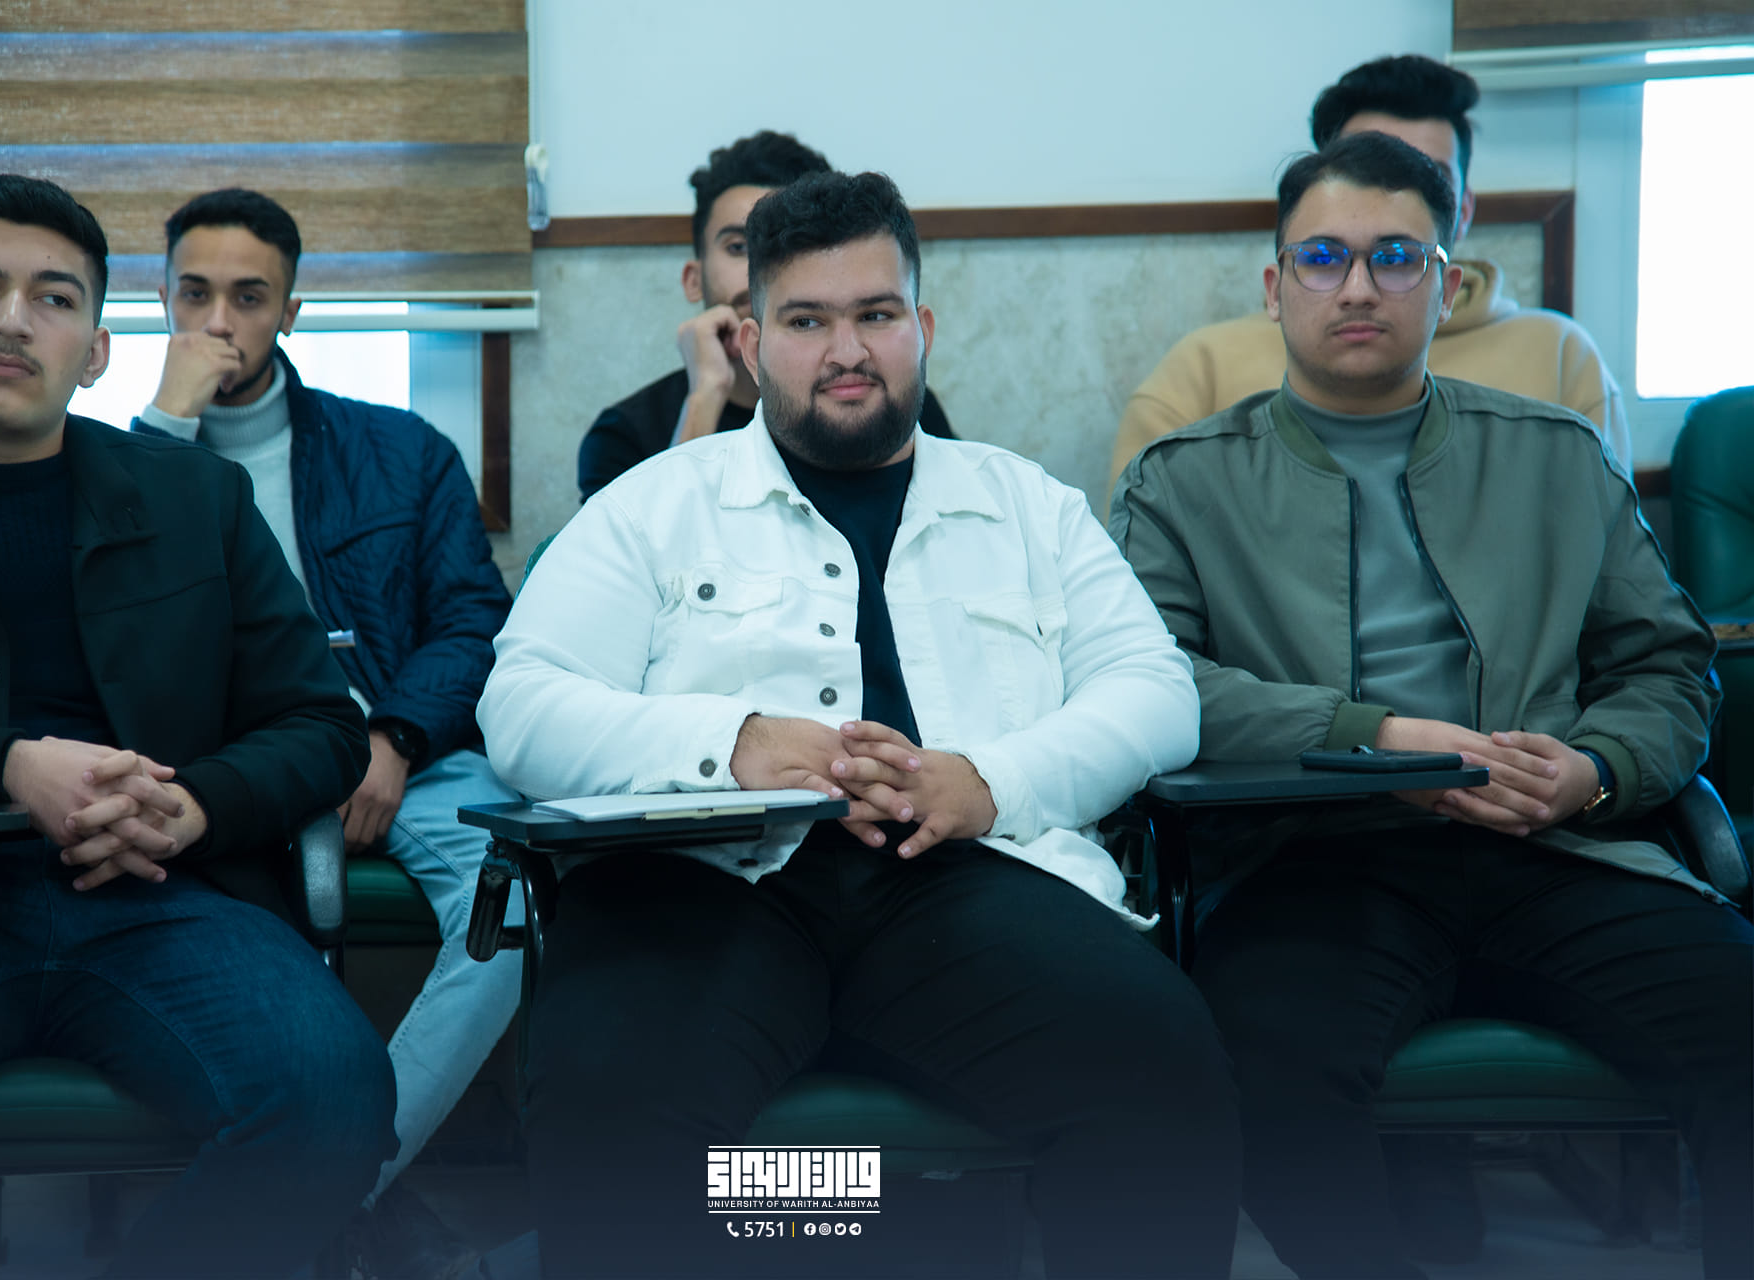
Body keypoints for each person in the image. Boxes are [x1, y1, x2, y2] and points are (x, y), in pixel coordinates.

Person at [482, 170, 1241, 1278]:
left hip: (967, 877)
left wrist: (988, 778)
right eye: (806, 321)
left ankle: (876, 1230)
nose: (848, 350)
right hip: (696, 884)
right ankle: (835, 1229)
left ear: (922, 326)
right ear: (751, 344)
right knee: (613, 1113)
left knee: (1164, 1072)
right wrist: (734, 743)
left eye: (876, 314)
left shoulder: (1028, 504)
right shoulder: (652, 506)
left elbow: (1155, 690)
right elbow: (522, 705)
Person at [1109, 132, 1752, 1280]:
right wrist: (1375, 739)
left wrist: (1595, 768)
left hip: (1559, 845)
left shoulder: (1556, 458)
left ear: (1446, 286)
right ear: (1275, 287)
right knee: (1268, 1074)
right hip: (1314, 857)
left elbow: (1666, 664)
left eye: (1396, 256)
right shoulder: (1185, 481)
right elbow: (1153, 683)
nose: (1358, 286)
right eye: (1323, 257)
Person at [0, 174, 394, 1278]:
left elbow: (320, 722)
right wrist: (2, 766)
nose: (11, 320)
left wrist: (195, 808)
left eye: (53, 298)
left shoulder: (195, 499)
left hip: (159, 897)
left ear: (95, 351)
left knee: (332, 1095)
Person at [132, 187, 518, 1280]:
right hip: (222, 771)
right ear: (161, 303)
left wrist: (393, 737)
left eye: (249, 297)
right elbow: (108, 636)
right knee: (258, 982)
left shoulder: (399, 449)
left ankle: (345, 1185)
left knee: (516, 911)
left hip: (403, 752)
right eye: (195, 295)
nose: (220, 322)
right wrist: (165, 430)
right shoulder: (117, 463)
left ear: (292, 311)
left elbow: (472, 620)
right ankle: (324, 1191)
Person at [1108, 53, 1629, 487]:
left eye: (1428, 180)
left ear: (1464, 209)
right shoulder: (1203, 369)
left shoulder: (1559, 357)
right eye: (1365, 168)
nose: (1392, 198)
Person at [576, 129, 955, 501]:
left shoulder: (887, 402)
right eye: (740, 247)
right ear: (693, 279)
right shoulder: (624, 434)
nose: (765, 265)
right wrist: (706, 394)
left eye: (795, 239)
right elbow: (647, 534)